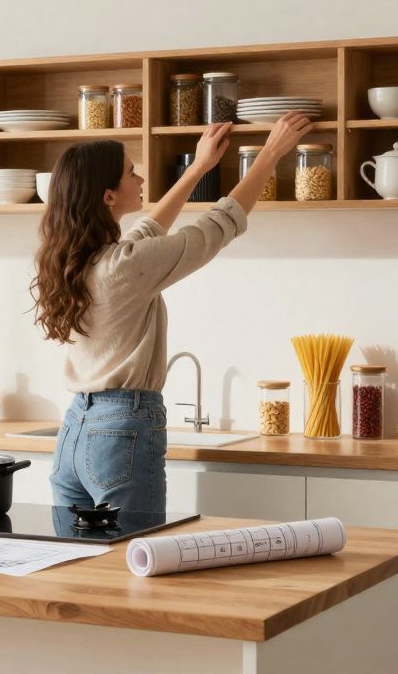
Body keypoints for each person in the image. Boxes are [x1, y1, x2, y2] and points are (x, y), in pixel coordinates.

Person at [31, 112, 314, 513]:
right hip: (121, 429)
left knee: (78, 553)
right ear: (108, 196)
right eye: (131, 173)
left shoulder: (81, 261)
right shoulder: (125, 265)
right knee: (135, 551)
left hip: (76, 430)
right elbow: (218, 225)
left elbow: (145, 233)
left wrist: (198, 168)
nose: (140, 179)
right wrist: (270, 154)